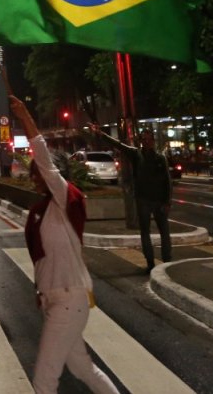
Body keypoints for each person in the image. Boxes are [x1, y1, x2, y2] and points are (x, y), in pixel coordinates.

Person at [9, 96, 119, 394]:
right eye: (33, 173)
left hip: (69, 300)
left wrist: (25, 116)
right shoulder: (42, 210)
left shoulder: (65, 201)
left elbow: (44, 159)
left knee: (44, 381)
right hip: (56, 299)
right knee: (83, 369)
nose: (33, 178)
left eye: (37, 173)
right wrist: (40, 291)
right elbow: (42, 259)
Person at [89, 124, 172, 272]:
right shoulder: (136, 154)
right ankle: (150, 263)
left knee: (164, 232)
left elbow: (167, 181)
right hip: (143, 200)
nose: (146, 142)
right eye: (144, 139)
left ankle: (167, 262)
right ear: (141, 141)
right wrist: (101, 134)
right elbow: (119, 145)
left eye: (149, 139)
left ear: (153, 141)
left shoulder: (161, 158)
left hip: (159, 200)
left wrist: (167, 201)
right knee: (145, 232)